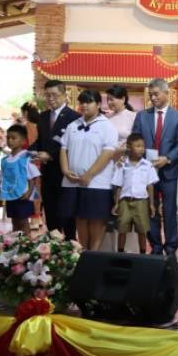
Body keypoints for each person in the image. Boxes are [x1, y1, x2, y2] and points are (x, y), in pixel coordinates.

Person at [59, 90, 117, 251]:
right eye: (81, 102)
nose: (84, 105)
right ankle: (83, 253)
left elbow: (108, 153)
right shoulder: (73, 125)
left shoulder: (107, 126)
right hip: (72, 182)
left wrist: (89, 175)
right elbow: (63, 148)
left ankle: (93, 255)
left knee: (96, 220)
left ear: (98, 104)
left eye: (88, 102)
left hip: (97, 183)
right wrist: (65, 170)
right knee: (80, 218)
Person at [132, 79, 178, 255]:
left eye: (156, 94)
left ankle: (171, 246)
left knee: (169, 210)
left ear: (166, 93)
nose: (152, 98)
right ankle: (155, 246)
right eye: (150, 95)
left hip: (168, 170)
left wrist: (167, 158)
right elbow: (135, 140)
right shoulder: (142, 116)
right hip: (146, 171)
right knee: (150, 208)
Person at [30, 79, 80, 240]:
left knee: (67, 213)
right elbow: (40, 141)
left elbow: (73, 145)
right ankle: (52, 245)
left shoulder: (74, 117)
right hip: (47, 173)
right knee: (50, 212)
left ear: (64, 95)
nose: (50, 99)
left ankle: (71, 244)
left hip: (66, 172)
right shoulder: (43, 116)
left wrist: (50, 155)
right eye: (47, 95)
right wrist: (30, 152)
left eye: (54, 95)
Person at [111, 133, 158, 254]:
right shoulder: (122, 165)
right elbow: (118, 185)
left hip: (141, 202)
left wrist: (151, 204)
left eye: (143, 146)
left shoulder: (148, 165)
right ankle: (120, 253)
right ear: (129, 147)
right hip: (125, 202)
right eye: (137, 146)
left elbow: (150, 185)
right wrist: (116, 203)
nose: (141, 149)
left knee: (142, 230)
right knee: (122, 229)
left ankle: (142, 254)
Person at [0, 125, 40, 235]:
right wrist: (1, 193)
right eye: (8, 138)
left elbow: (33, 178)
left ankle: (27, 242)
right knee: (14, 220)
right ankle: (16, 242)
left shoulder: (26, 158)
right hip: (10, 195)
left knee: (23, 221)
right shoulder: (5, 160)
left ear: (23, 141)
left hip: (23, 195)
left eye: (13, 138)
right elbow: (4, 178)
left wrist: (29, 192)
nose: (10, 140)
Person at [106, 85, 136, 160]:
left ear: (123, 99)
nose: (109, 102)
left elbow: (136, 140)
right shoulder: (106, 118)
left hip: (126, 158)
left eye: (111, 99)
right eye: (107, 99)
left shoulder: (133, 116)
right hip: (108, 158)